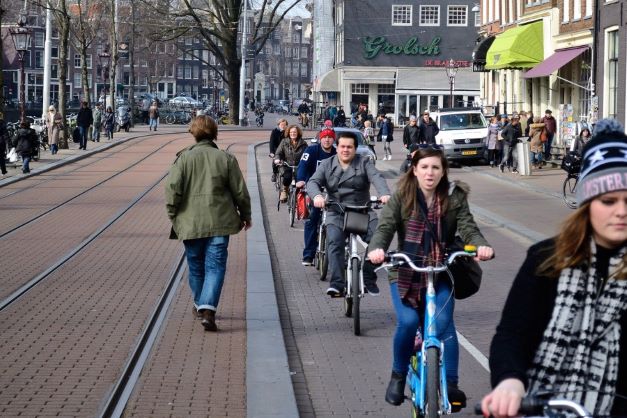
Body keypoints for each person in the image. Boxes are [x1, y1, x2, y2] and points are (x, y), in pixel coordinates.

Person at [480, 118, 627, 418]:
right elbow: (512, 334)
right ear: (586, 203)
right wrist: (510, 381)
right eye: (609, 201)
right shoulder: (547, 259)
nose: (621, 212)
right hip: (549, 406)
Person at [367, 146, 494, 409]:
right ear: (415, 170)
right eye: (424, 167)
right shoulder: (402, 195)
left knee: (444, 323)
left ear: (443, 171)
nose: (430, 172)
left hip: (440, 269)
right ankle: (398, 376)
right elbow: (385, 227)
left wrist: (480, 245)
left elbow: (469, 228)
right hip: (405, 268)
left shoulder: (453, 196)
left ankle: (451, 383)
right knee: (408, 320)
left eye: (435, 167)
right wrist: (377, 249)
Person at [165, 115, 252, 332]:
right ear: (214, 132)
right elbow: (240, 191)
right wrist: (246, 215)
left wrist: (173, 215)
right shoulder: (226, 159)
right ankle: (208, 307)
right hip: (220, 221)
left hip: (190, 222)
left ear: (193, 133)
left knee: (195, 265)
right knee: (215, 266)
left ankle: (200, 303)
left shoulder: (183, 159)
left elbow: (173, 190)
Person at [307, 130, 391, 296]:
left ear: (355, 148)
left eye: (350, 147)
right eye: (343, 146)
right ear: (337, 147)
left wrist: (384, 194)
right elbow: (313, 181)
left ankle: (368, 273)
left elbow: (377, 177)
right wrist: (317, 196)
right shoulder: (327, 164)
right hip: (336, 211)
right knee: (335, 242)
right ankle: (337, 283)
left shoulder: (364, 162)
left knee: (380, 238)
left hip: (362, 210)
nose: (346, 150)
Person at [296, 128, 337, 265]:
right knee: (312, 219)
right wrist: (301, 179)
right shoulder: (312, 151)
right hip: (315, 190)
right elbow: (303, 165)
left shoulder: (337, 153)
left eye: (330, 137)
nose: (327, 140)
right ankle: (308, 254)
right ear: (320, 138)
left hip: (331, 192)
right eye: (324, 137)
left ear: (333, 139)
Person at [274, 125, 307, 203]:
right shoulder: (284, 142)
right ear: (288, 133)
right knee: (287, 176)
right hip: (287, 165)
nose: (293, 134)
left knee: (300, 180)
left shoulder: (303, 143)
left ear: (298, 133)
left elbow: (307, 154)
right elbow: (278, 152)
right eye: (291, 132)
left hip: (299, 166)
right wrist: (277, 159)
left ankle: (299, 197)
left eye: (294, 132)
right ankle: (284, 190)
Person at [269, 118, 288, 183]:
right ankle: (274, 173)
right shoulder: (275, 131)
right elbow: (271, 142)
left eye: (285, 125)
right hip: (276, 149)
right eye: (281, 124)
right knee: (275, 161)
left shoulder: (288, 132)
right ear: (279, 125)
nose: (283, 126)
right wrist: (271, 152)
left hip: (285, 150)